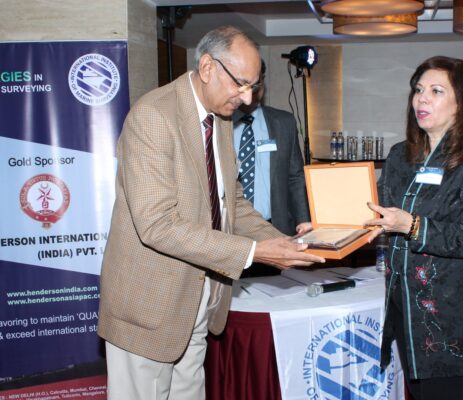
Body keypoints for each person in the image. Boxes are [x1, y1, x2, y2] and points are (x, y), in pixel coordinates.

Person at [97, 26, 324, 400]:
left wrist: (282, 242)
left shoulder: (219, 119)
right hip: (149, 307)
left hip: (199, 296)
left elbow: (231, 202)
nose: (248, 98)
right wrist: (254, 252)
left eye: (254, 86)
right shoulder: (153, 116)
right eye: (241, 84)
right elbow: (156, 225)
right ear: (207, 68)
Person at [364, 56, 463, 400]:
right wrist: (326, 224)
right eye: (418, 89)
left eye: (436, 91)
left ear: (461, 103)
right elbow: (375, 210)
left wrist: (411, 225)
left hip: (449, 317)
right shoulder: (400, 155)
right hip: (405, 309)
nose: (422, 98)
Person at [233, 60, 312, 276]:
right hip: (230, 233)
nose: (251, 91)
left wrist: (303, 219)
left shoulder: (283, 122)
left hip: (275, 230)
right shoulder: (218, 123)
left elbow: (295, 175)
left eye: (256, 84)